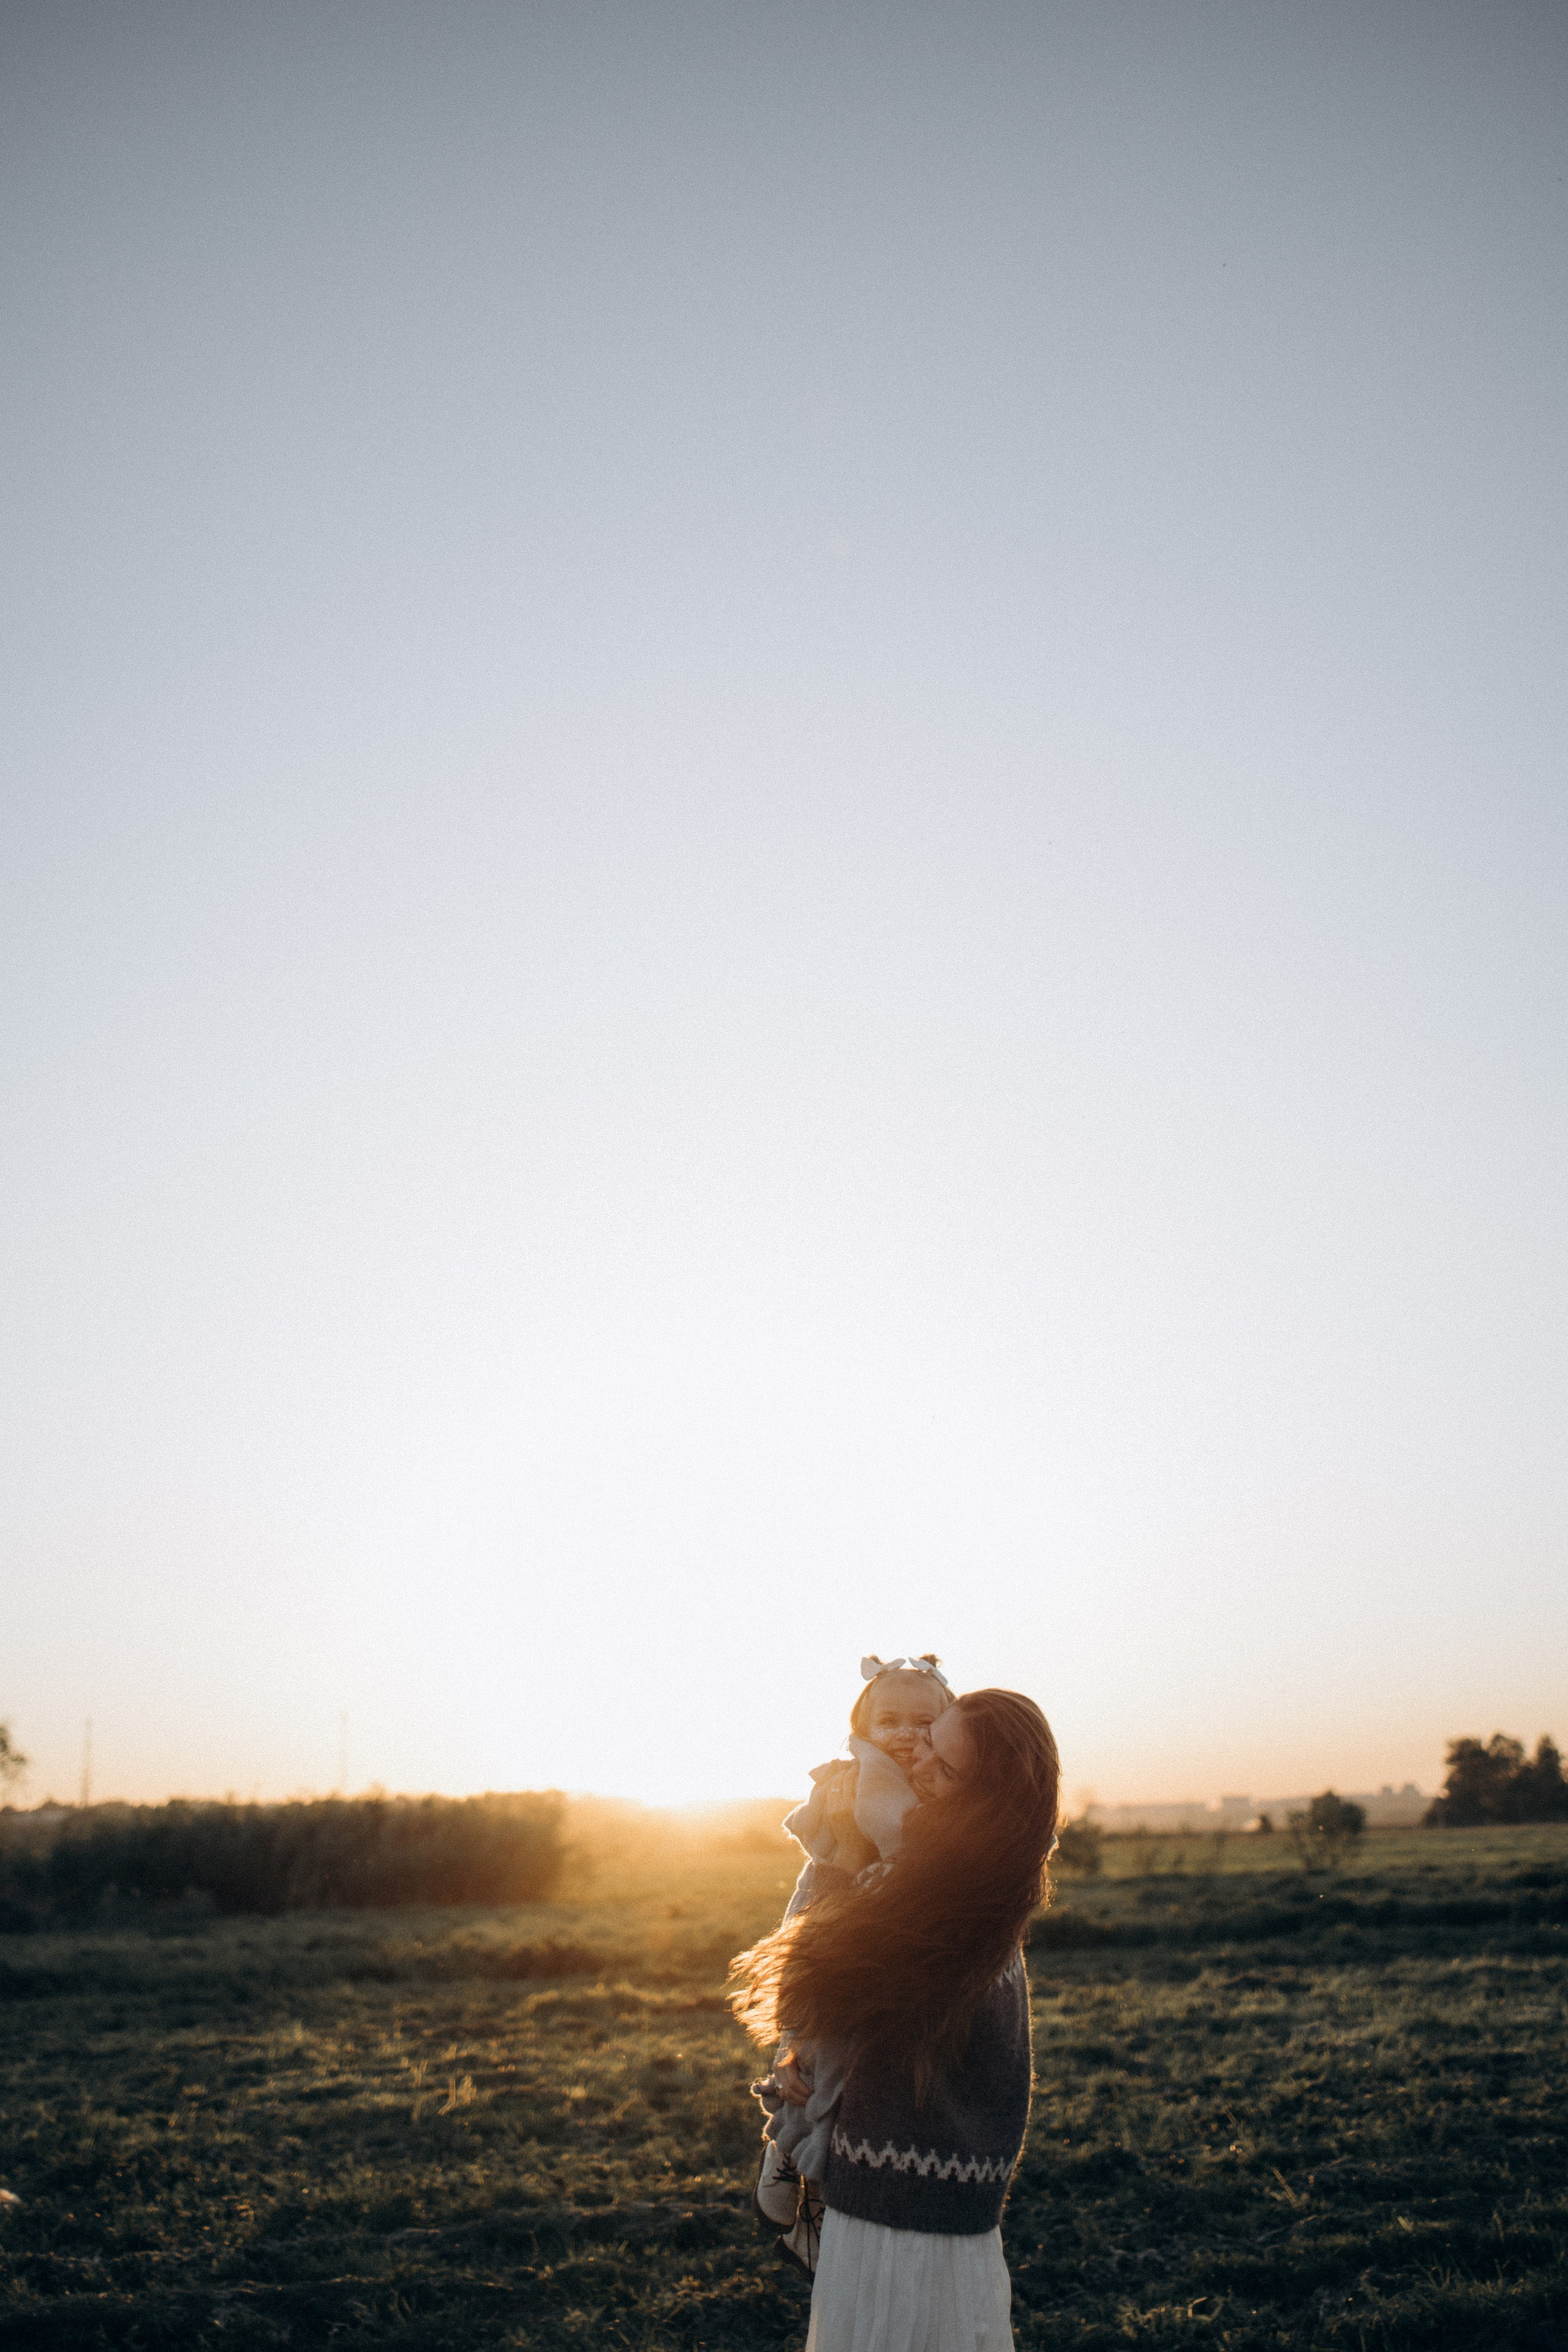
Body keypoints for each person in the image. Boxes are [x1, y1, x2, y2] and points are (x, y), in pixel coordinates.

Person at [731, 1687, 1060, 2352]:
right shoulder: (968, 1872)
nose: (915, 1766)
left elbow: (803, 1982)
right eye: (925, 1743)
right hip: (918, 2197)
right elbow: (853, 2012)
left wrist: (848, 1851)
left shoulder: (943, 1888)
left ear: (982, 1796)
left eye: (942, 1765)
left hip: (906, 2215)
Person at [752, 1656, 956, 2255]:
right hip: (835, 1906)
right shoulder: (848, 1778)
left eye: (923, 1720)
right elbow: (824, 1872)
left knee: (858, 2071)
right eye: (887, 1719)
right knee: (818, 2041)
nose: (903, 1733)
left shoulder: (947, 1786)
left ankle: (820, 2177)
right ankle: (792, 2151)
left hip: (907, 1942)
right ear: (862, 1727)